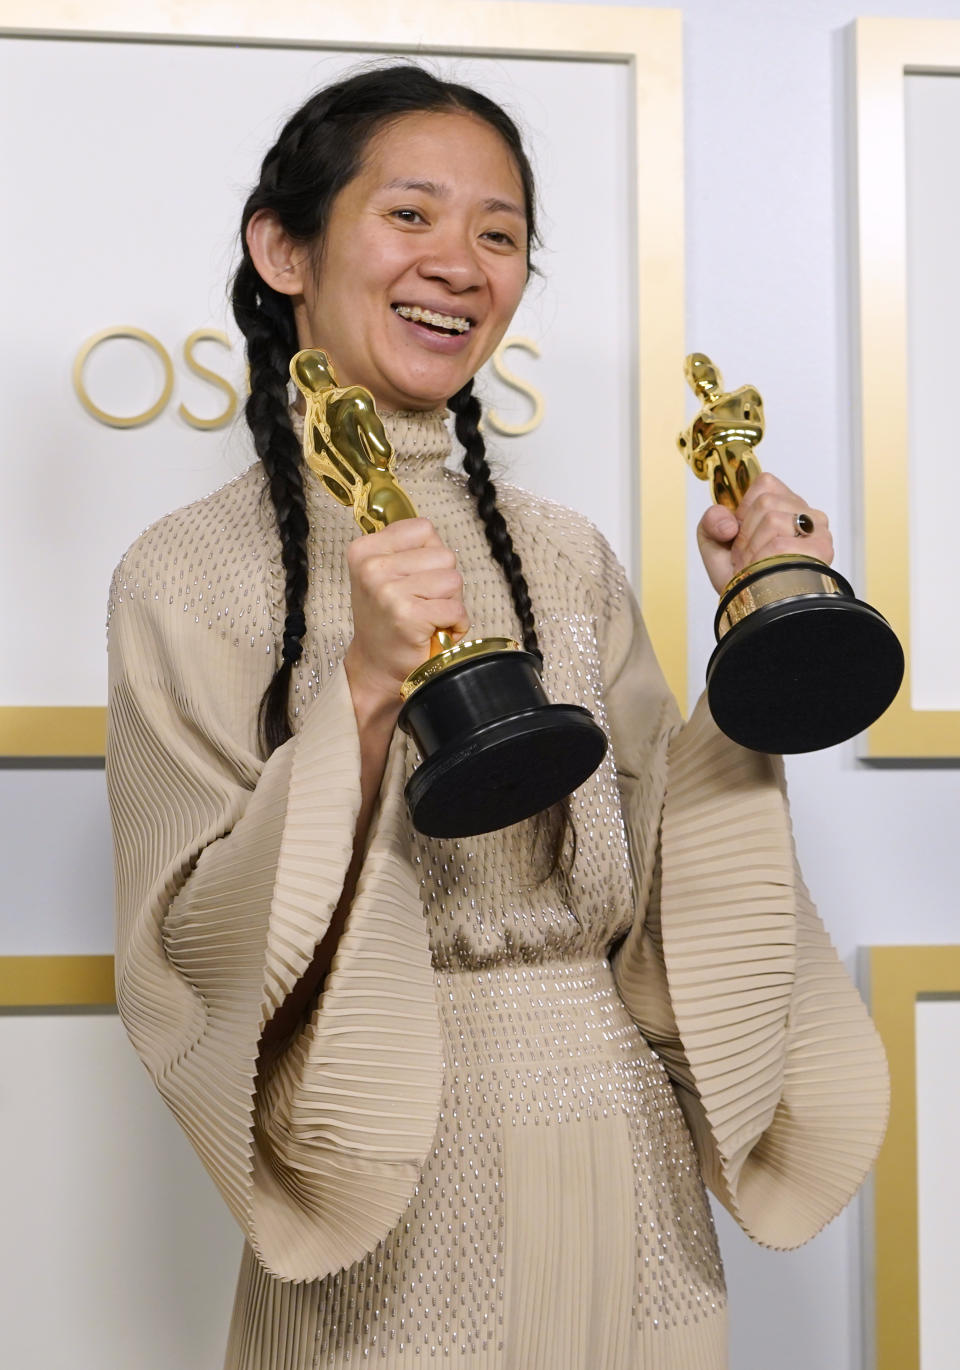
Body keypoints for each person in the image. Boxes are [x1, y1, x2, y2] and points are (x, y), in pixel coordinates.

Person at [107, 65, 889, 1370]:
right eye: (410, 215)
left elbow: (664, 897)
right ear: (284, 246)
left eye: (500, 232)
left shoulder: (565, 553)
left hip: (628, 1161)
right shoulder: (187, 570)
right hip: (386, 1176)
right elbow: (193, 950)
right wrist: (365, 692)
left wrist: (765, 625)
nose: (459, 264)